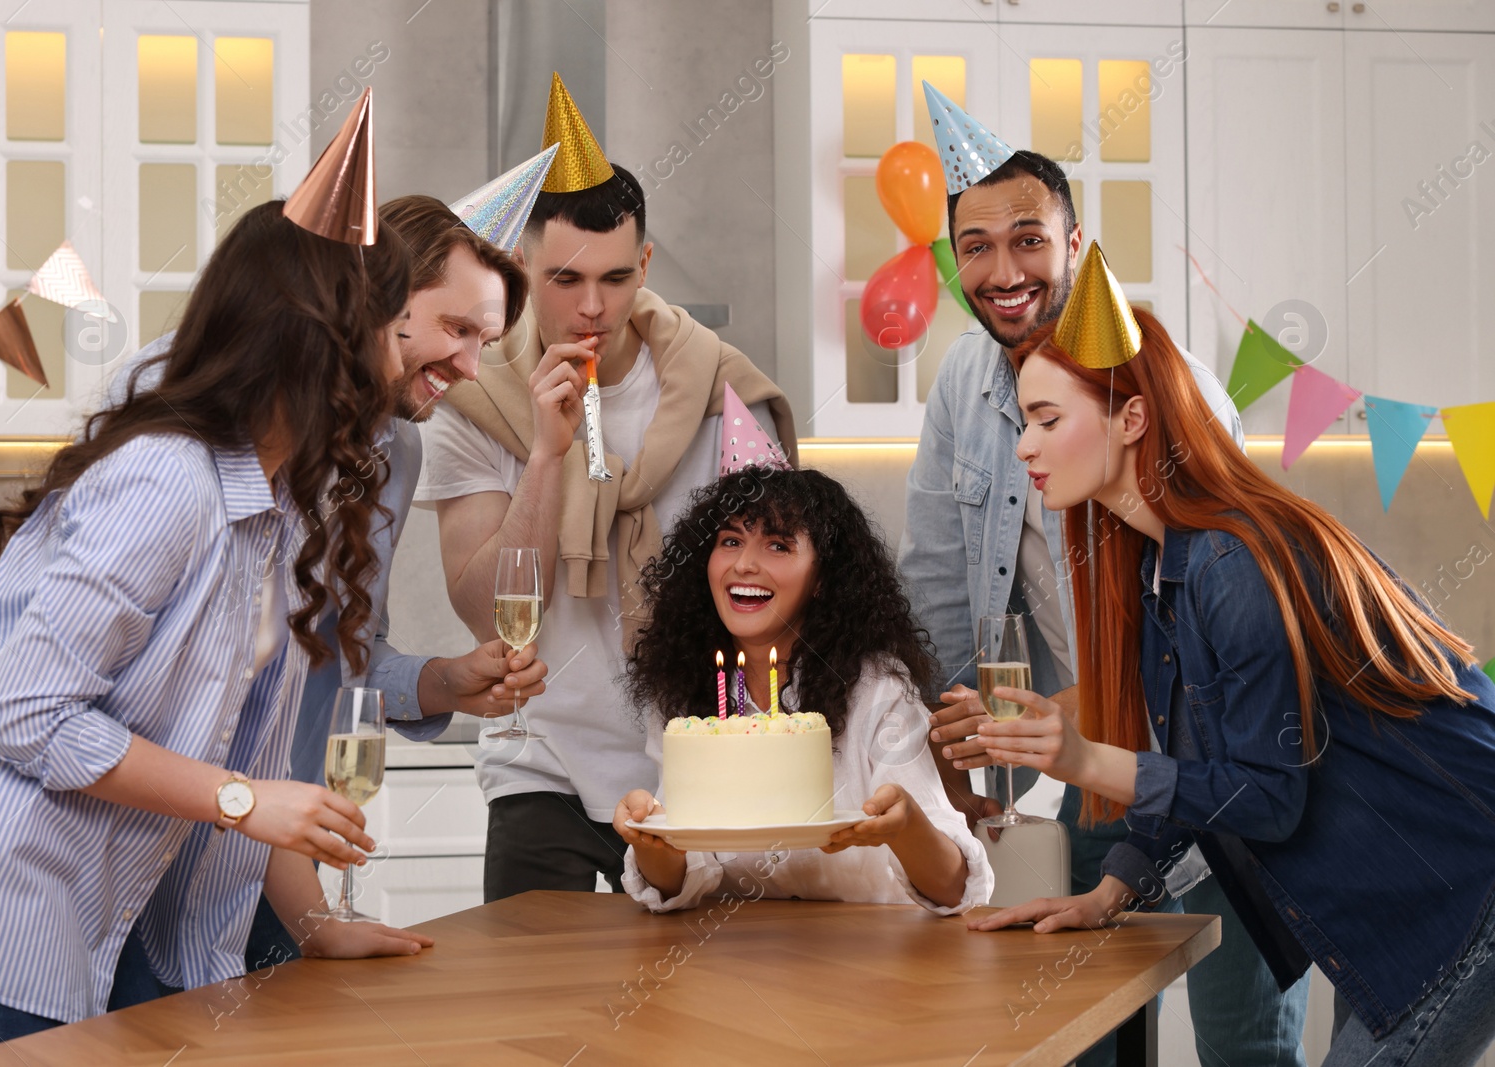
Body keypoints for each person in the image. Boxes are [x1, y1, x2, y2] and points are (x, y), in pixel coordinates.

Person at [0, 201, 432, 1064]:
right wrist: (244, 801)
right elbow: (28, 715)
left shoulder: (281, 508)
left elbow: (248, 749)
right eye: (394, 329)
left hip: (88, 913)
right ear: (326, 342)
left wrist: (317, 923)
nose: (405, 358)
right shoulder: (164, 480)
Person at [969, 296, 1495, 1067]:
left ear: (1132, 419)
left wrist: (1083, 760)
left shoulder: (1228, 564)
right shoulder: (1165, 568)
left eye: (1047, 419)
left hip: (1466, 875)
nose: (1025, 447)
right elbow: (1204, 762)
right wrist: (1109, 893)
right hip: (1402, 899)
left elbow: (1265, 797)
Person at [898, 84, 1303, 1067]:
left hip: (1205, 762)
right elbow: (939, 576)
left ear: (1077, 246)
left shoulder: (1163, 390)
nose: (1003, 270)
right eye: (976, 246)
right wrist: (953, 733)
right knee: (1072, 1026)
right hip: (1072, 770)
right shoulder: (962, 377)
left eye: (1028, 238)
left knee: (1240, 1035)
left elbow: (1216, 601)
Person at [113, 195, 552, 972]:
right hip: (134, 849)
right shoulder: (191, 398)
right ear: (376, 300)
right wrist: (243, 807)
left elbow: (339, 656)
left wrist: (445, 681)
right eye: (458, 329)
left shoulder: (396, 452)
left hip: (271, 862)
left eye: (487, 340)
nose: (471, 367)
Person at [419, 75, 796, 903]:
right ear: (520, 260)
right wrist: (549, 458)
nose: (592, 307)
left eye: (617, 279)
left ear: (646, 264)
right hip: (539, 767)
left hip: (696, 769)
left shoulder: (723, 397)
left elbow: (777, 596)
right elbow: (487, 612)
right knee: (535, 1018)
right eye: (563, 279)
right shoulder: (474, 399)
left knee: (683, 1026)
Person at [613, 467, 991, 914]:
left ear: (823, 579)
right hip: (733, 959)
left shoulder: (876, 690)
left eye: (778, 545)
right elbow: (680, 881)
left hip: (873, 957)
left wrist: (905, 826)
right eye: (730, 541)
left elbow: (954, 890)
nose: (744, 564)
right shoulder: (683, 695)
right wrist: (651, 840)